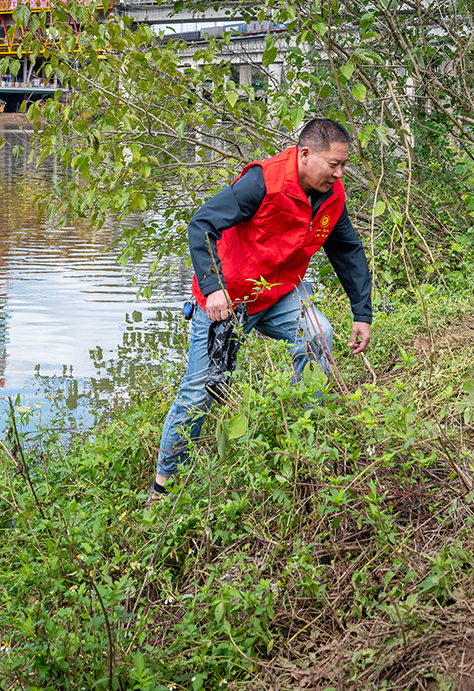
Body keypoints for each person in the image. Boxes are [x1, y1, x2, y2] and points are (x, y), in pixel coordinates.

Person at [150, 118, 373, 500]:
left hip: (278, 294)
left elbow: (347, 250)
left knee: (318, 335)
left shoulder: (333, 197)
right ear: (305, 155)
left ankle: (304, 443)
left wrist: (362, 313)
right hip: (225, 300)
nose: (339, 174)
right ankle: (164, 486)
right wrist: (213, 287)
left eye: (343, 166)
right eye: (332, 164)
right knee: (201, 391)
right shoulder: (262, 182)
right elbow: (202, 224)